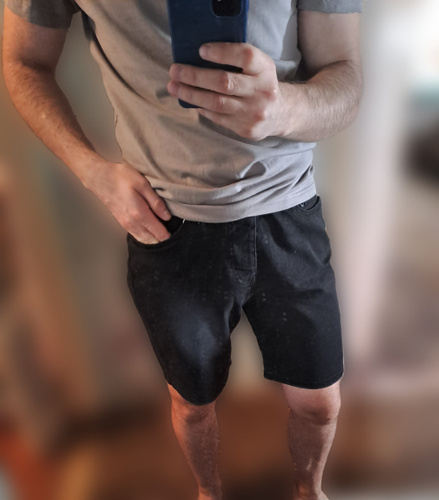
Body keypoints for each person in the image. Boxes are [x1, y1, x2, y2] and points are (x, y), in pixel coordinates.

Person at [2, 1, 363, 499]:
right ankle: (208, 493)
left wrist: (285, 108)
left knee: (320, 405)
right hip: (166, 224)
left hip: (290, 212)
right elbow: (23, 61)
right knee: (192, 405)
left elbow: (345, 74)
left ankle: (309, 491)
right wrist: (92, 172)